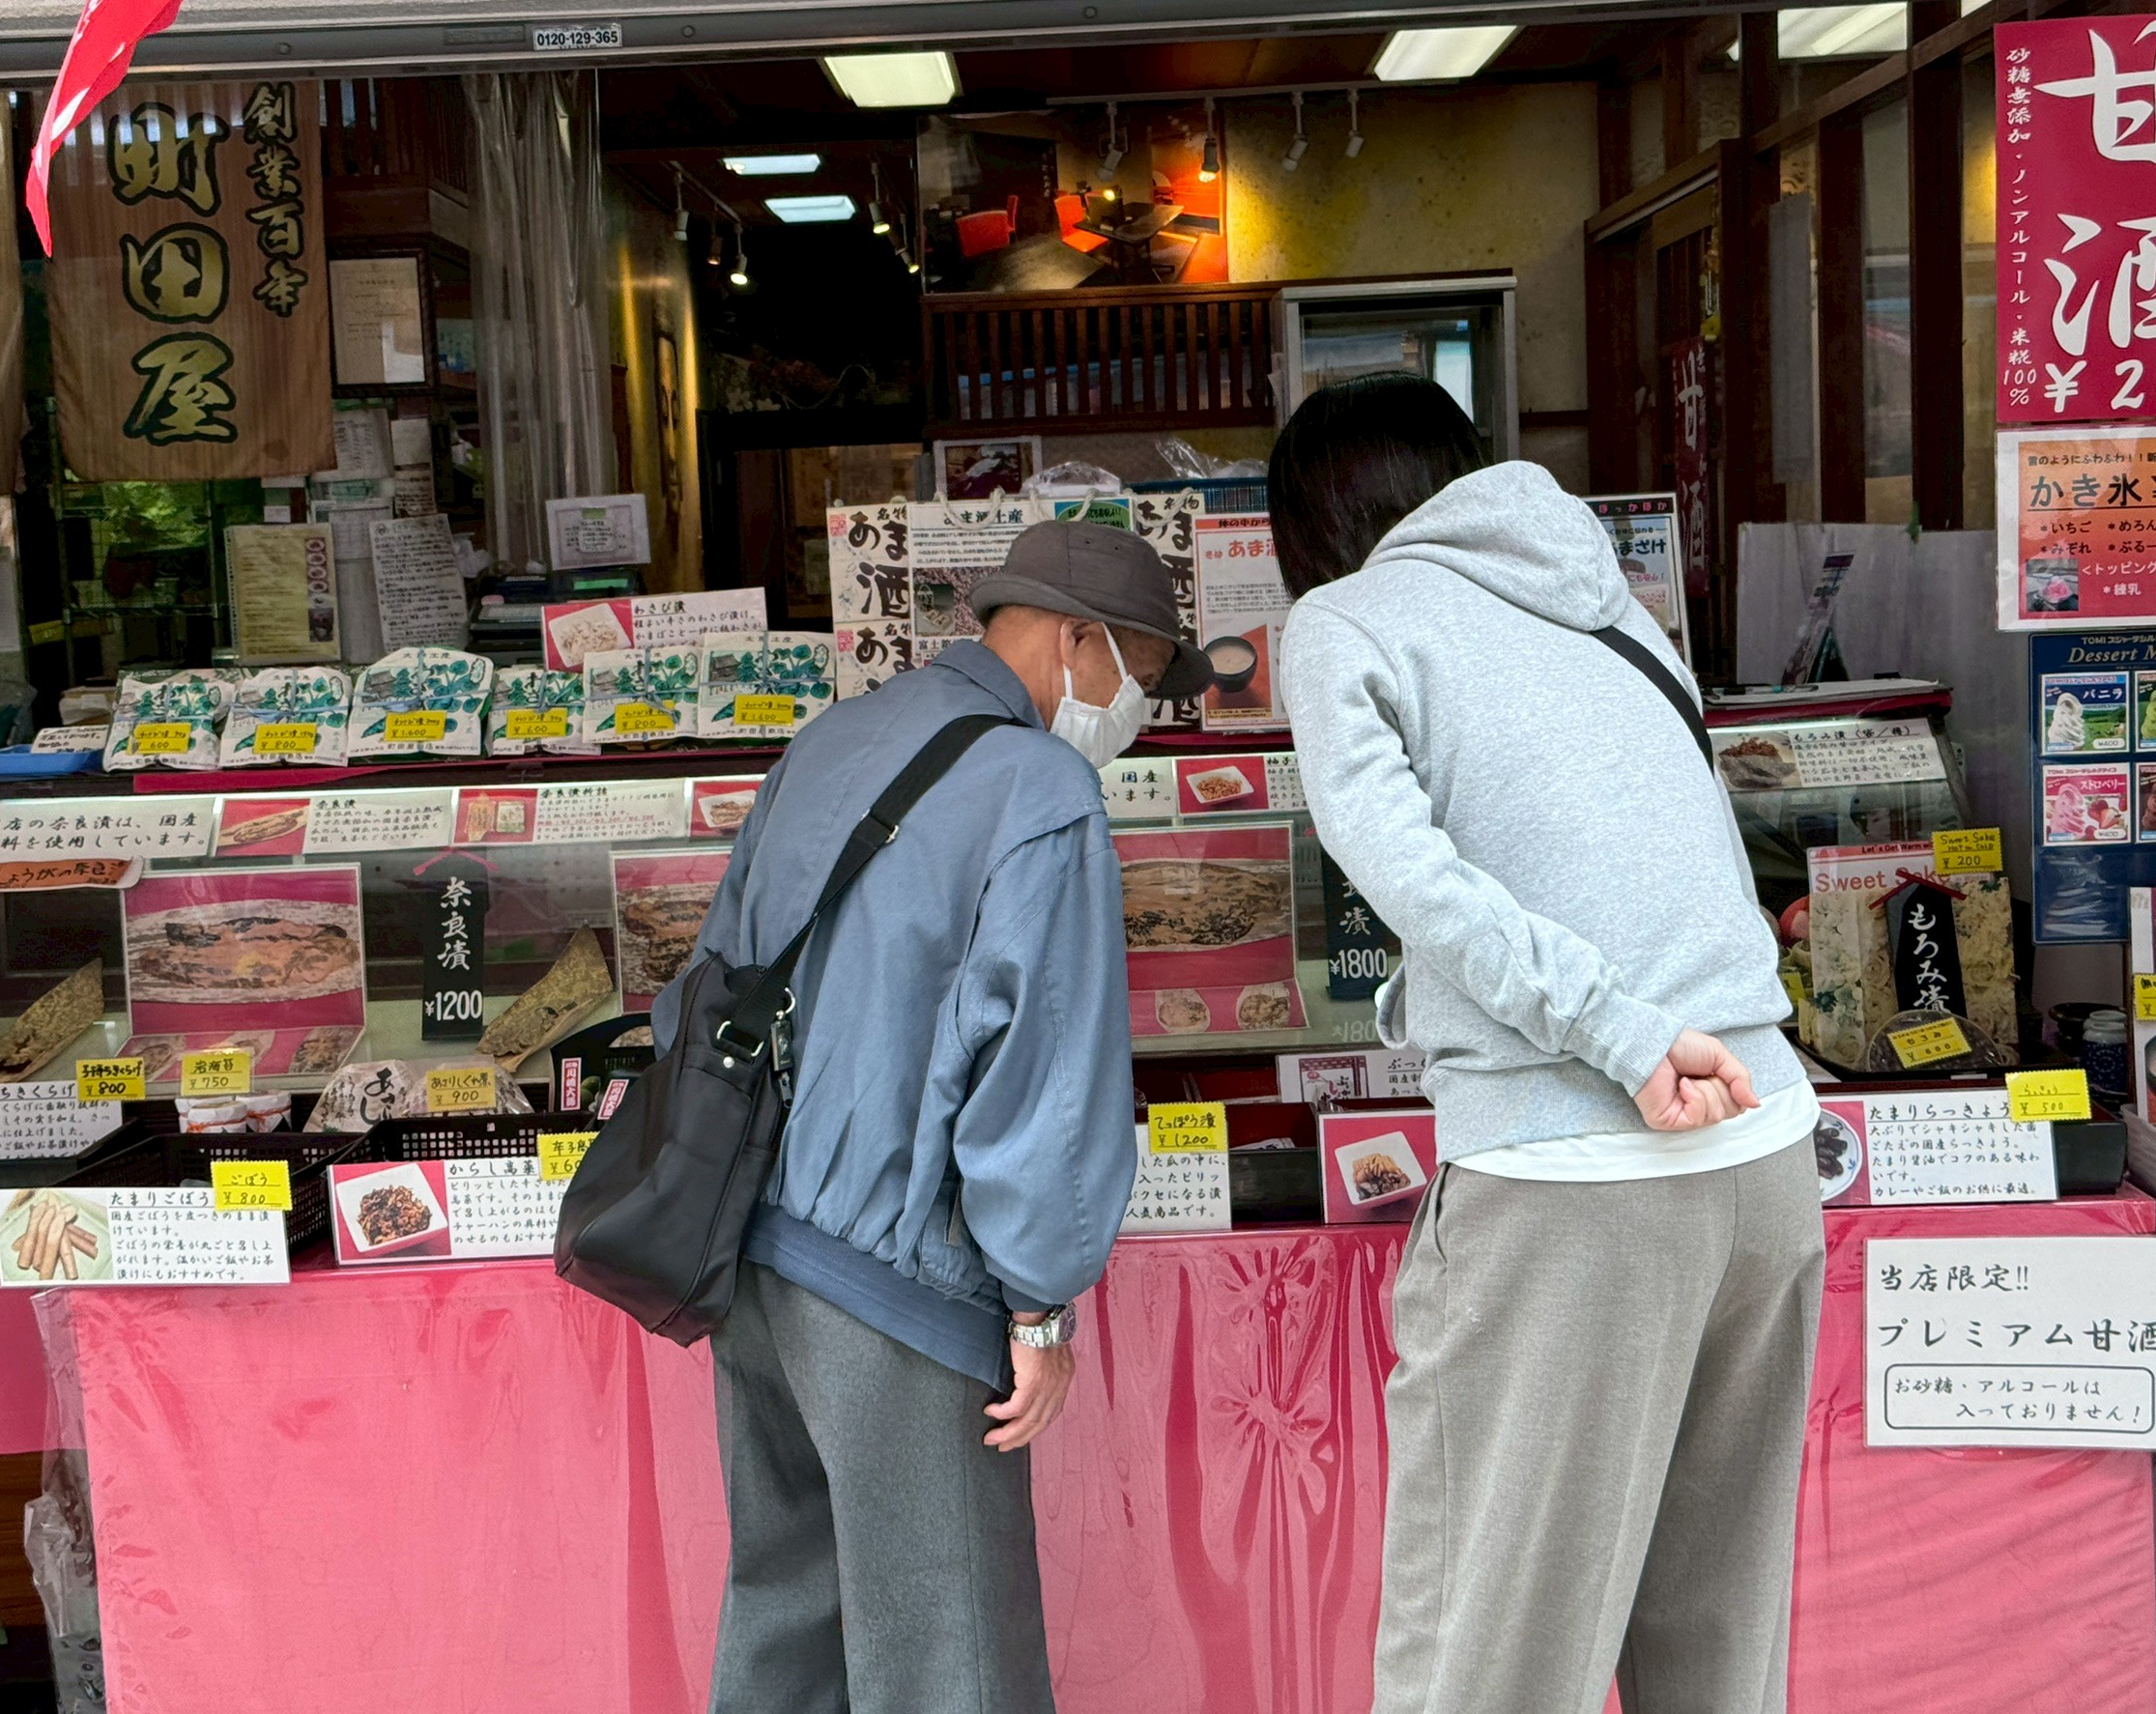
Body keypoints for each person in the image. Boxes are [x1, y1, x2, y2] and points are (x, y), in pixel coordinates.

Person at [1271, 373, 1825, 1714]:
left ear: (1311, 531)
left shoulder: (1345, 619)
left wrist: (1623, 1039)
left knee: (1490, 1660)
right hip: (1766, 1151)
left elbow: (1417, 881)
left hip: (1578, 1175)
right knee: (1717, 1647)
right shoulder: (1615, 610)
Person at [654, 518, 1212, 1714]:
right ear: (1077, 642)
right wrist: (1039, 1306)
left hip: (749, 1253)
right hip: (895, 1287)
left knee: (787, 1637)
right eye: (1146, 674)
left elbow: (702, 986)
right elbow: (1044, 1071)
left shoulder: (831, 739)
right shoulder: (1041, 788)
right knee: (949, 1664)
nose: (1140, 710)